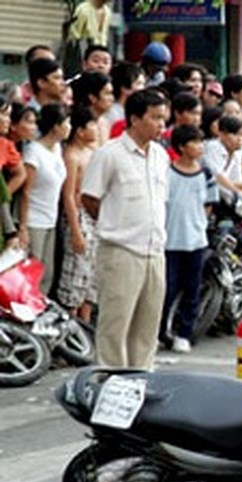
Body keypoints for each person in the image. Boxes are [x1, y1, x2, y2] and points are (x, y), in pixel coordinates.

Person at [81, 88, 171, 369]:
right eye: (155, 118)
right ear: (134, 118)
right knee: (115, 323)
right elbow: (89, 198)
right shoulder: (109, 154)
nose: (161, 125)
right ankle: (111, 383)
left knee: (147, 326)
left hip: (154, 251)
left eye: (163, 118)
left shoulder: (160, 155)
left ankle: (141, 380)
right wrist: (115, 223)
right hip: (121, 251)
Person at [159, 125, 218, 353]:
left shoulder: (205, 173)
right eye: (194, 142)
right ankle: (161, 332)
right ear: (182, 147)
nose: (200, 146)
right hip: (170, 240)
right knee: (167, 288)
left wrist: (199, 223)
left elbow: (209, 204)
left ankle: (185, 333)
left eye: (201, 141)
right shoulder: (168, 173)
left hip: (196, 241)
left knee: (192, 289)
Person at [19, 104, 69, 294]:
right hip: (34, 220)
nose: (69, 127)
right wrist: (23, 227)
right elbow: (26, 191)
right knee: (32, 271)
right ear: (56, 126)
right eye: (66, 123)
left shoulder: (57, 148)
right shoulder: (33, 152)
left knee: (47, 272)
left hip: (51, 219)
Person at [59, 107, 100, 321]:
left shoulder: (92, 152)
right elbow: (68, 195)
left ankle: (85, 326)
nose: (96, 129)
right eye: (91, 125)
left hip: (95, 217)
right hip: (79, 216)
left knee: (91, 280)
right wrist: (75, 231)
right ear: (80, 131)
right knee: (75, 277)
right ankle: (71, 328)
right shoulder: (71, 156)